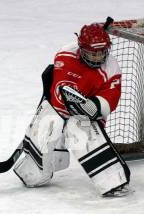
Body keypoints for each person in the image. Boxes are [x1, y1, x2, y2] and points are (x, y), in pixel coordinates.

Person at [13, 22, 131, 197]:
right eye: (93, 53)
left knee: (79, 126)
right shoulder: (65, 54)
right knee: (49, 119)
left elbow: (110, 99)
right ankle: (36, 173)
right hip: (59, 110)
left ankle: (112, 180)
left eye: (101, 52)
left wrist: (95, 106)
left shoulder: (112, 68)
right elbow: (59, 90)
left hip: (88, 116)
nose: (98, 58)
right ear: (81, 49)